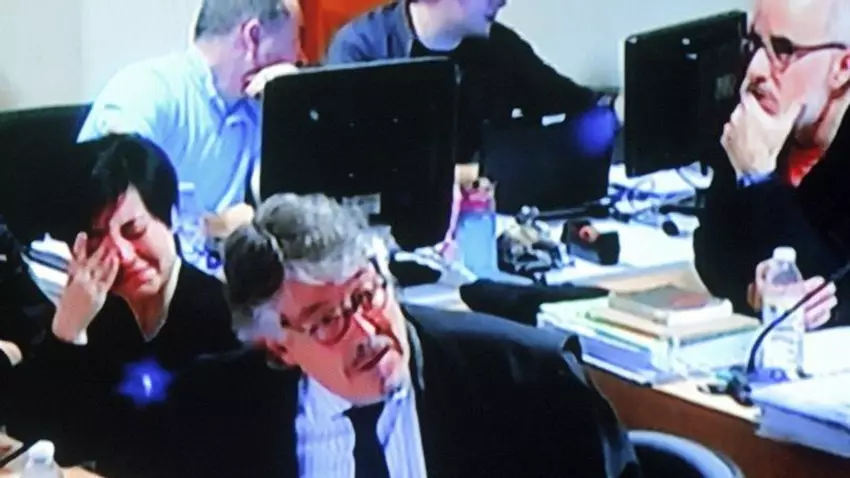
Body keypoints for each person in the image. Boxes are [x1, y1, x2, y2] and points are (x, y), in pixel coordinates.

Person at [147, 193, 640, 478]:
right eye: (326, 320)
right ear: (277, 346)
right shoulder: (217, 411)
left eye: (367, 295)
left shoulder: (530, 382)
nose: (365, 330)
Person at [6, 134, 241, 476]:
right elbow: (34, 431)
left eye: (134, 230)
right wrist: (66, 333)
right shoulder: (97, 314)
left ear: (171, 217)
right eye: (98, 239)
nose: (123, 255)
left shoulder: (225, 320)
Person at [77, 0, 301, 231]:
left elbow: (292, 207)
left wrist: (290, 103)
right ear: (253, 36)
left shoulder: (254, 105)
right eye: (295, 40)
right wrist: (218, 226)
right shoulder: (146, 91)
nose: (298, 56)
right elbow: (121, 213)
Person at [694, 0, 850, 328]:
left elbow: (835, 290)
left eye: (783, 50)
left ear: (843, 67)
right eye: (754, 44)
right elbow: (711, 252)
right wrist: (753, 293)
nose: (756, 69)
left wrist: (760, 181)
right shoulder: (761, 121)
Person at [325, 0, 623, 163]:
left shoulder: (500, 48)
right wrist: (471, 175)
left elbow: (571, 101)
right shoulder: (360, 50)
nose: (503, 1)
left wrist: (619, 108)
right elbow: (349, 168)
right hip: (386, 237)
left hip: (482, 224)